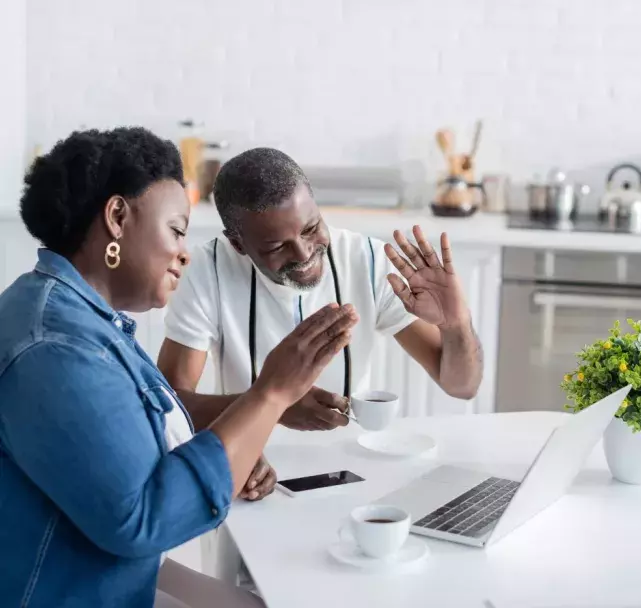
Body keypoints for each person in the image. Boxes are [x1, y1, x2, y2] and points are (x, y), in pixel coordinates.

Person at [0, 128, 357, 608]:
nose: (186, 252)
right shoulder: (56, 348)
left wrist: (239, 442)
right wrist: (271, 393)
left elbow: (129, 453)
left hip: (107, 572)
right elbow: (144, 519)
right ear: (118, 218)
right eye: (176, 229)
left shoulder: (79, 318)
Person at [158, 147, 484, 502]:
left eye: (311, 227)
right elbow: (170, 405)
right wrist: (270, 405)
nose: (303, 254)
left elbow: (462, 386)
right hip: (253, 469)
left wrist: (457, 324)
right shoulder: (207, 271)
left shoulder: (368, 260)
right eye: (277, 246)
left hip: (353, 473)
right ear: (237, 243)